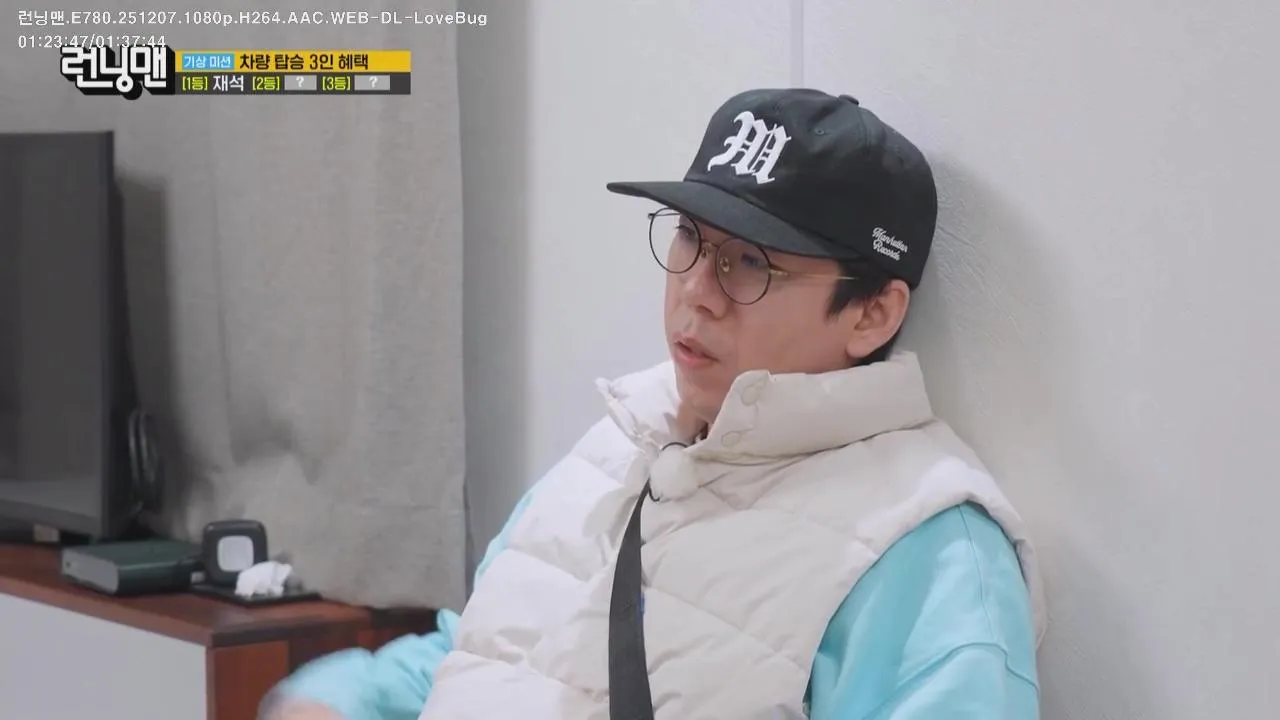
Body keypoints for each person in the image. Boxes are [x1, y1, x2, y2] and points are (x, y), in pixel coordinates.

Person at [262, 88, 1047, 720]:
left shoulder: (927, 547)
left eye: (749, 263)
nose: (695, 292)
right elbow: (493, 656)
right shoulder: (618, 442)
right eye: (689, 239)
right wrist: (338, 699)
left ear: (871, 313)